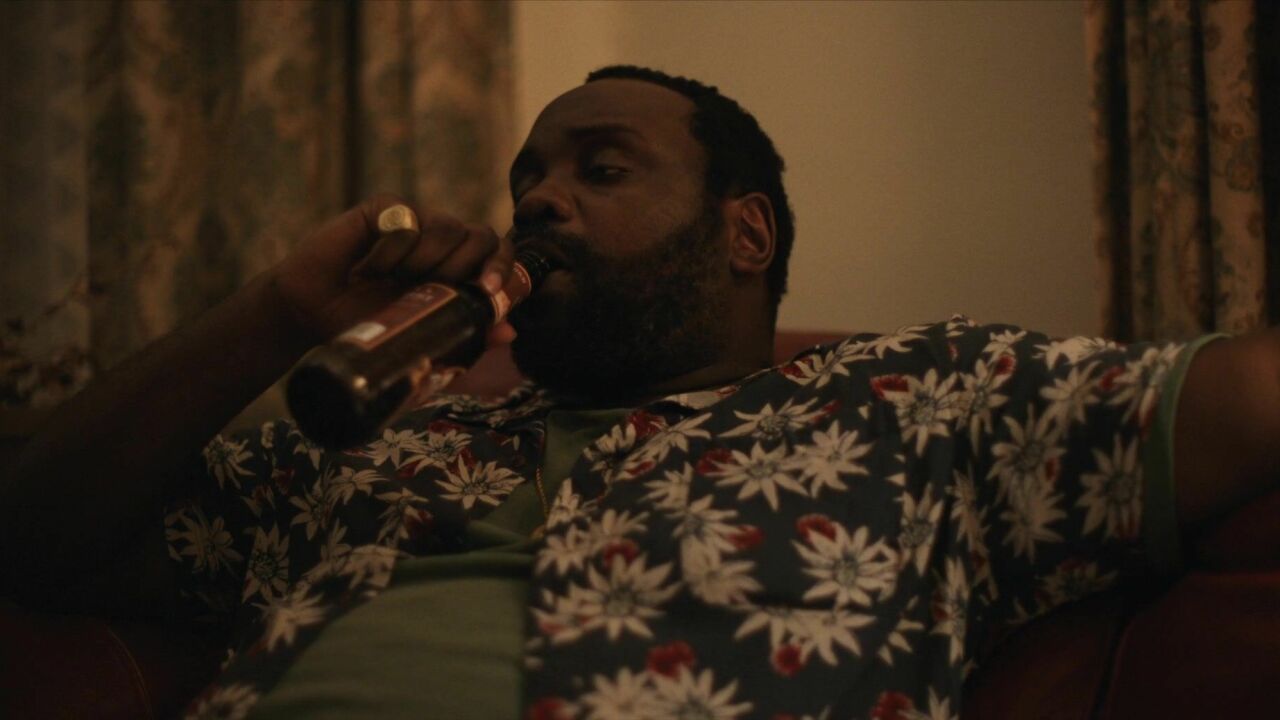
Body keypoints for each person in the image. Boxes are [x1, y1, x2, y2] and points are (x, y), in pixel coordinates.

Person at [0, 65, 1275, 720]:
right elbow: (30, 537)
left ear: (744, 234)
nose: (539, 203)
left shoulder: (915, 402)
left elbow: (1251, 400)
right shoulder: (381, 438)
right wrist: (278, 314)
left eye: (599, 169)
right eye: (526, 183)